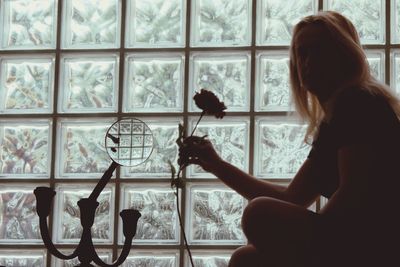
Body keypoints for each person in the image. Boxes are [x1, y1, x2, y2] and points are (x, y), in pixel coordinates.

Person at [179, 11, 400, 267]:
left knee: (258, 214)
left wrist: (315, 243)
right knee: (245, 257)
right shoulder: (337, 118)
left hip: (380, 246)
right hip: (360, 242)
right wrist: (217, 165)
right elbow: (292, 198)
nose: (307, 62)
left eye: (319, 51)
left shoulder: (358, 102)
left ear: (343, 55)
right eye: (301, 53)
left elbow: (353, 192)